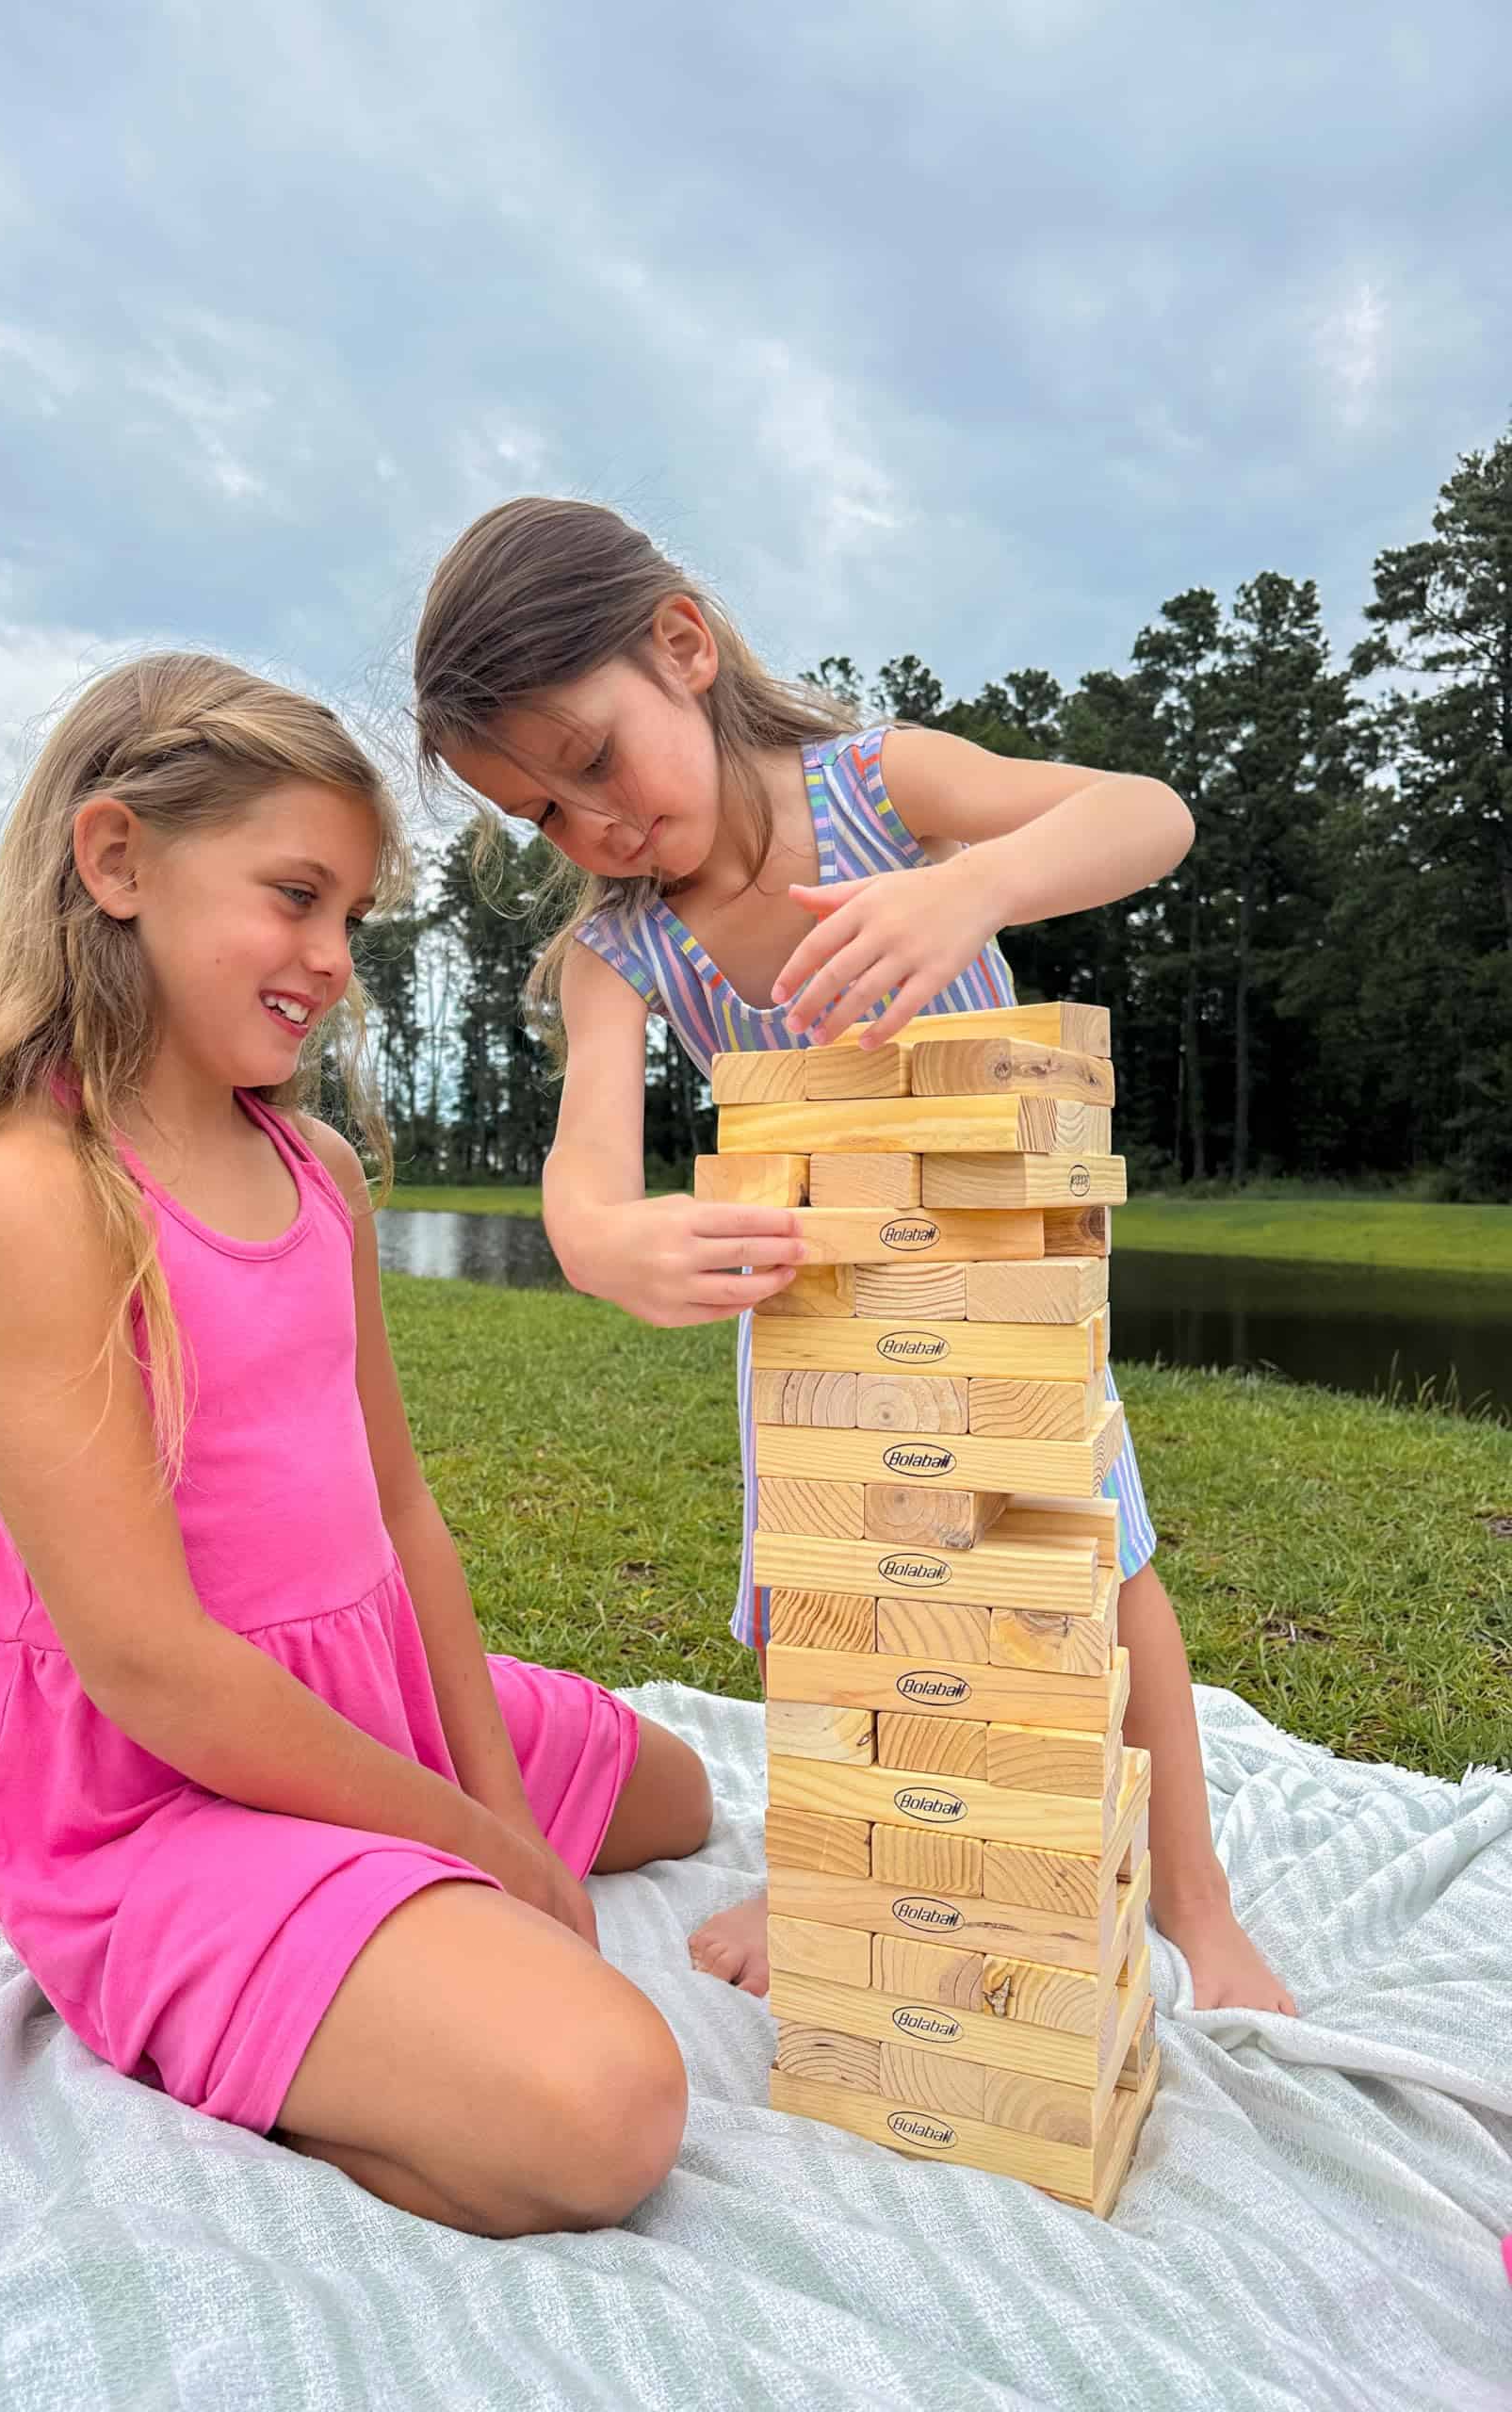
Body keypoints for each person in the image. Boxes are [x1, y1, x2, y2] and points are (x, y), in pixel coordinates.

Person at [0, 651, 716, 2238]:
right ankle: (250, 2007)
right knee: (602, 2107)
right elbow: (150, 1666)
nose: (331, 958)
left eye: (351, 916)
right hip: (166, 1793)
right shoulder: (31, 1190)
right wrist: (484, 1858)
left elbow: (405, 1518)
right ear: (117, 860)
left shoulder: (319, 1176)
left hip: (367, 1708)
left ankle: (395, 1933)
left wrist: (490, 1803)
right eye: (295, 896)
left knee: (677, 1798)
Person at [412, 497, 1298, 2017]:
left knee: (1102, 1565)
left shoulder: (885, 792)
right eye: (544, 813)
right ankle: (834, 1862)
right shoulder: (624, 948)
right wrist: (609, 1240)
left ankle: (1200, 1912)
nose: (595, 827)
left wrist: (974, 883)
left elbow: (1151, 812)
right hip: (812, 1316)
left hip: (1006, 1286)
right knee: (831, 1602)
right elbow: (582, 1178)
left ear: (682, 648)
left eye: (593, 761)